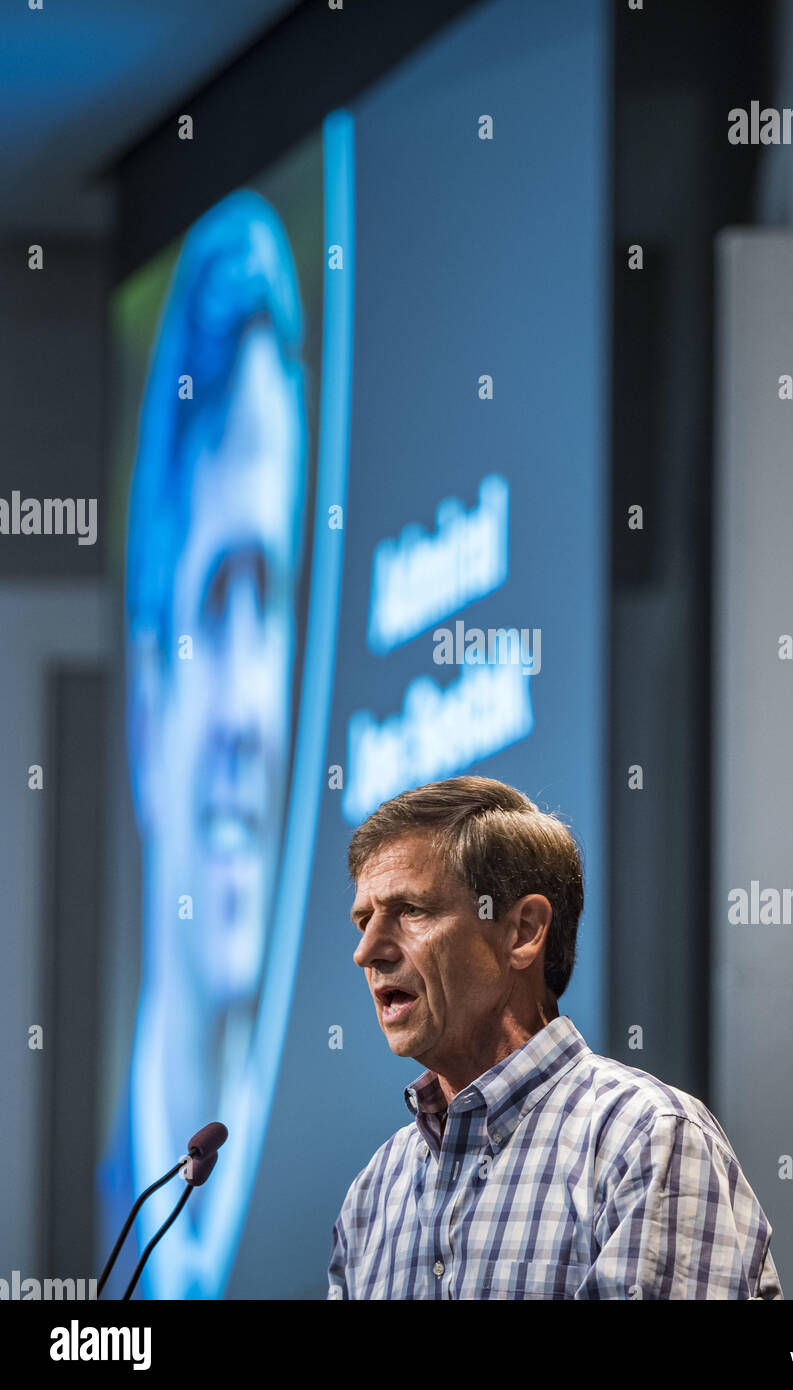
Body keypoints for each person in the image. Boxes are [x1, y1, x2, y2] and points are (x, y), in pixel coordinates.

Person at [328, 775, 783, 1300]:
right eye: (364, 919)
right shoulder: (372, 1195)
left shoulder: (641, 1138)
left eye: (412, 911)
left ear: (523, 931)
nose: (368, 951)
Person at [98, 189, 308, 1299]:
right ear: (145, 708)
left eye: (270, 604)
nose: (250, 716)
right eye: (217, 601)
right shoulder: (109, 1217)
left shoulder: (356, 1207)